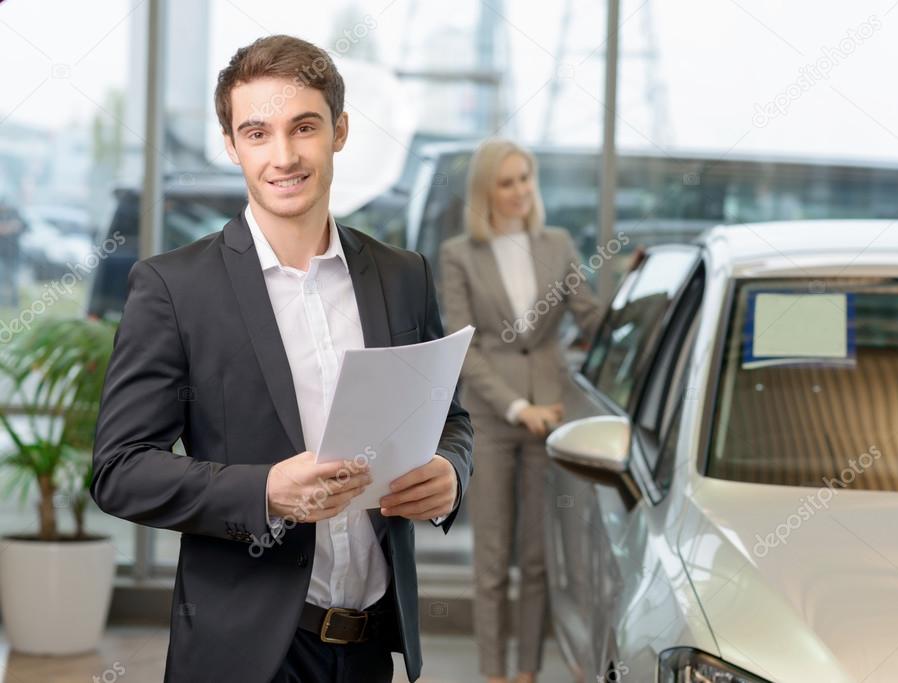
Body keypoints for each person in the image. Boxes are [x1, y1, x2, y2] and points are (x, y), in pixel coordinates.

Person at [91, 35, 473, 683]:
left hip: (370, 645)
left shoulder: (402, 275)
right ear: (232, 144)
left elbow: (451, 418)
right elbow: (120, 470)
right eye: (257, 132)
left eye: (304, 127)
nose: (284, 155)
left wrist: (452, 472)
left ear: (340, 131)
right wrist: (265, 491)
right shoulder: (175, 289)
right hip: (245, 652)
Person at [439, 138, 603, 683]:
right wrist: (515, 406)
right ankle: (493, 674)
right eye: (506, 182)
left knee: (537, 560)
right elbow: (466, 345)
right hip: (492, 416)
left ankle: (527, 674)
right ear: (486, 190)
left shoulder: (556, 243)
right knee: (491, 560)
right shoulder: (460, 254)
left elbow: (591, 316)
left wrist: (641, 299)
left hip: (553, 412)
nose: (518, 191)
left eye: (525, 179)